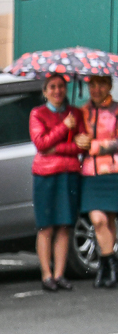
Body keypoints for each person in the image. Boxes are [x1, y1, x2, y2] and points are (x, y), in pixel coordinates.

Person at [29, 73, 86, 292]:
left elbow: (81, 145)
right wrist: (64, 127)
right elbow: (41, 143)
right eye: (52, 87)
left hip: (69, 173)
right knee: (46, 225)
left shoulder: (76, 113)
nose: (57, 91)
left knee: (65, 225)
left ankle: (60, 274)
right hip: (45, 175)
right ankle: (47, 275)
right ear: (45, 91)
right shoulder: (38, 114)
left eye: (61, 86)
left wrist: (58, 147)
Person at [79, 75, 118, 289]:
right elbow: (74, 138)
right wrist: (78, 141)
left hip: (112, 171)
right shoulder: (82, 112)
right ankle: (109, 262)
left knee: (109, 220)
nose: (96, 89)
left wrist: (93, 146)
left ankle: (106, 266)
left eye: (101, 84)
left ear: (109, 85)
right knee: (98, 220)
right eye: (92, 85)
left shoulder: (116, 110)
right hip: (90, 174)